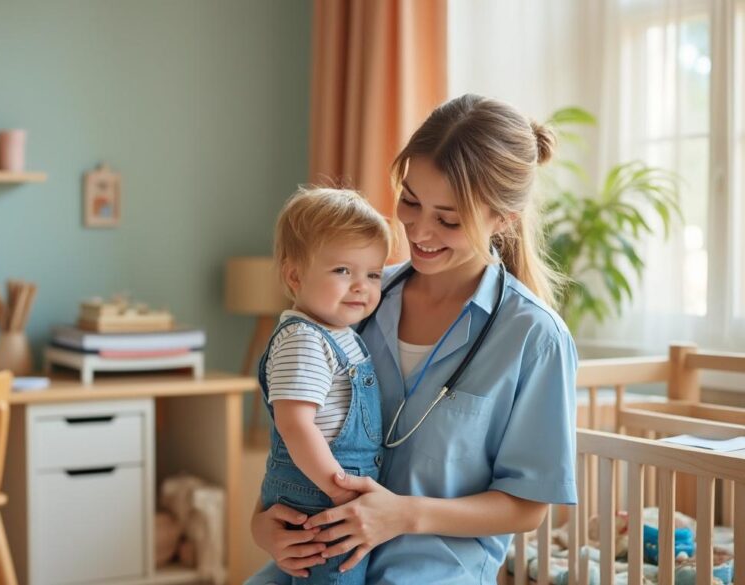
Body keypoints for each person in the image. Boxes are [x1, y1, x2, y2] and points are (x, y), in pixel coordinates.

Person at [247, 94, 579, 584]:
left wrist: (403, 515)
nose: (419, 231)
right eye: (410, 201)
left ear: (503, 219)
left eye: (447, 219)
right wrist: (263, 526)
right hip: (319, 564)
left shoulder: (533, 338)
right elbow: (298, 426)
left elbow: (528, 507)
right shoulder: (356, 298)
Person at [258, 187, 393, 584]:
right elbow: (296, 426)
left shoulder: (339, 333)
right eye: (342, 271)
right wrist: (339, 492)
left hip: (328, 492)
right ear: (295, 275)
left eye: (373, 274)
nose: (361, 286)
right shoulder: (304, 339)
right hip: (320, 498)